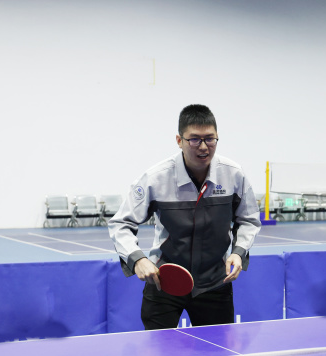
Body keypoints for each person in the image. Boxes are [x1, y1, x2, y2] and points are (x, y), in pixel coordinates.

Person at [108, 104, 261, 330]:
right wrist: (138, 259)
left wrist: (238, 253)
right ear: (179, 140)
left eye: (210, 139)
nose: (204, 147)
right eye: (194, 139)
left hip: (215, 284)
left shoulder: (234, 174)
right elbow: (121, 223)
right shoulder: (155, 178)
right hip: (163, 282)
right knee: (158, 349)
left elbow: (248, 219)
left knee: (217, 350)